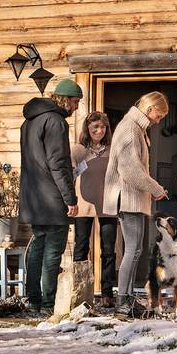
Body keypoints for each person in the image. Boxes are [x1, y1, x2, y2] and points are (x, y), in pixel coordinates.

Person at [19, 77, 83, 314]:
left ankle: (33, 300)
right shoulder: (55, 122)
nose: (76, 107)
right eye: (75, 102)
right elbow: (57, 163)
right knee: (52, 250)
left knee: (38, 246)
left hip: (33, 196)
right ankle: (48, 303)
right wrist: (70, 198)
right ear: (65, 99)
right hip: (52, 196)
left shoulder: (29, 121)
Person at [103, 91, 169, 317]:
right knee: (132, 250)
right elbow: (131, 171)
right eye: (158, 116)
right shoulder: (130, 128)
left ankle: (128, 299)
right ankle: (123, 300)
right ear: (150, 110)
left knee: (135, 249)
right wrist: (156, 189)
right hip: (128, 197)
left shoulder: (135, 128)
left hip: (133, 197)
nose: (158, 121)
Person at [71, 111, 119, 307]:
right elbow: (70, 175)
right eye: (94, 128)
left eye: (102, 127)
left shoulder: (112, 150)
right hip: (83, 204)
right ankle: (79, 292)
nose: (99, 131)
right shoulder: (79, 150)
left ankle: (107, 293)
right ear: (87, 130)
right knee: (81, 247)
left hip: (108, 204)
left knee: (108, 250)